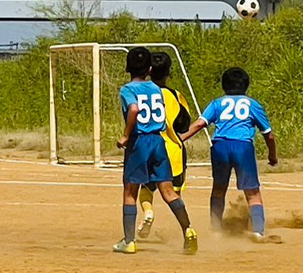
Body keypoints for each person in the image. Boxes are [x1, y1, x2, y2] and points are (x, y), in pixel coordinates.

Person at [178, 67, 278, 243]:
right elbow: (268, 134)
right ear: (246, 86)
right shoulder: (252, 104)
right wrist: (272, 155)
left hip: (220, 146)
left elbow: (200, 124)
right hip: (243, 147)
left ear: (223, 85)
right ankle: (258, 232)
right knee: (253, 192)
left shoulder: (217, 103)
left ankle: (216, 229)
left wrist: (181, 138)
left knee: (218, 189)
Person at [114, 46, 197, 256]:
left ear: (127, 68)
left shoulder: (127, 89)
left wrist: (125, 135)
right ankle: (188, 230)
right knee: (168, 191)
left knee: (130, 192)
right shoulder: (155, 88)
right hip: (159, 142)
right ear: (149, 69)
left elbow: (134, 109)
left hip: (139, 141)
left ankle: (129, 241)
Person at [137, 50, 191, 240]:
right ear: (169, 72)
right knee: (174, 193)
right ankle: (186, 230)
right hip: (173, 151)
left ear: (148, 70)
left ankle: (148, 212)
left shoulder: (141, 94)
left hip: (149, 148)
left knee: (146, 189)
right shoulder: (175, 95)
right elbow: (184, 124)